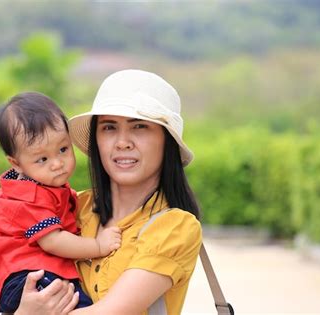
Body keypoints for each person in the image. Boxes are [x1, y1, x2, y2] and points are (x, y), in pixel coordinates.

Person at [15, 69, 202, 315]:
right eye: (109, 128)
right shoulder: (72, 206)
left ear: (167, 141)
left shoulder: (175, 227)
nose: (122, 142)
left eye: (139, 127)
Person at [0, 92, 122, 313]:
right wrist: (98, 246)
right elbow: (53, 241)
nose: (57, 163)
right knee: (79, 305)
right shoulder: (26, 198)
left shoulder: (44, 187)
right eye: (42, 159)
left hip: (32, 272)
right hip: (26, 276)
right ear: (16, 163)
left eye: (63, 149)